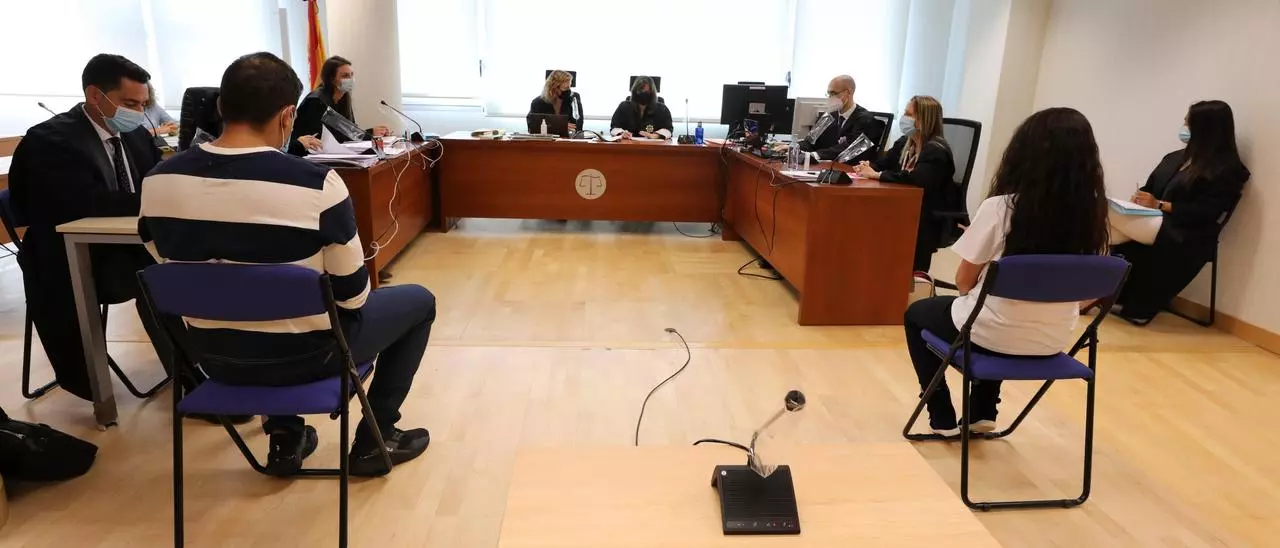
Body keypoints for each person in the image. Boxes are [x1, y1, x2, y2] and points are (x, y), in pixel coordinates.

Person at [138, 52, 436, 477]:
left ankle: (284, 438)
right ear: (287, 116)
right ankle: (377, 438)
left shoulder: (157, 181)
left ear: (221, 106)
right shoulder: (317, 184)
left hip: (215, 359)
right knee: (419, 301)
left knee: (253, 301)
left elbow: (167, 265)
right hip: (311, 357)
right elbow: (353, 297)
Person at [903, 107, 1109, 436]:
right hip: (1052, 339)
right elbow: (1087, 294)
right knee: (994, 311)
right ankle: (983, 412)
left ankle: (940, 414)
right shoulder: (1094, 215)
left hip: (990, 333)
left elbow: (963, 282)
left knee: (920, 314)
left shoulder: (1001, 208)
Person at [8, 53, 180, 401]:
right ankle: (193, 379)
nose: (139, 112)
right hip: (76, 259)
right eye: (129, 103)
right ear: (94, 95)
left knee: (194, 261)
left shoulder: (134, 134)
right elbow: (88, 203)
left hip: (129, 244)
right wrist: (160, 198)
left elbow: (156, 180)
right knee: (158, 274)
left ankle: (209, 365)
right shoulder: (51, 140)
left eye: (143, 104)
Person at [1108, 100, 1251, 325]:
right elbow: (1150, 187)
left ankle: (1089, 290)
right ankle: (1099, 291)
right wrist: (1141, 198)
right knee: (1106, 218)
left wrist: (1160, 205)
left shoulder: (1226, 170)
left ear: (1205, 129)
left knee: (1104, 219)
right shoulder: (1174, 158)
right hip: (1152, 220)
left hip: (1183, 230)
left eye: (1188, 123)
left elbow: (1206, 212)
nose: (1184, 127)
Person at [855, 95, 956, 273]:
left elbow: (917, 179)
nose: (904, 118)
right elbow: (883, 164)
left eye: (909, 114)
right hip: (901, 207)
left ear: (923, 120)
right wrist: (867, 166)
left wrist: (877, 175)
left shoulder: (936, 150)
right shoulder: (905, 142)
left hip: (925, 217)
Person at [288, 55, 390, 155]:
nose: (350, 79)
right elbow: (341, 133)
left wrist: (371, 133)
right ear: (332, 79)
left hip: (328, 153)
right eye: (345, 76)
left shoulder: (344, 98)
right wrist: (370, 134)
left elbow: (348, 129)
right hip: (306, 154)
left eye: (351, 75)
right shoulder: (317, 101)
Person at [800, 75, 884, 164]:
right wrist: (795, 148)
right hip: (824, 166)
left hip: (849, 168)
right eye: (829, 94)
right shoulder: (828, 116)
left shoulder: (867, 120)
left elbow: (850, 149)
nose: (830, 97)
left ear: (848, 92)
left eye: (834, 93)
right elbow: (809, 141)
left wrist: (815, 155)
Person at [609, 76, 673, 140]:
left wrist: (656, 136)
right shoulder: (623, 107)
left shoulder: (662, 109)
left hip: (652, 144)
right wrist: (621, 133)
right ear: (635, 92)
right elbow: (614, 127)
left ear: (652, 93)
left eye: (647, 92)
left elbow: (668, 130)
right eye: (640, 91)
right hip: (628, 143)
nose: (643, 94)